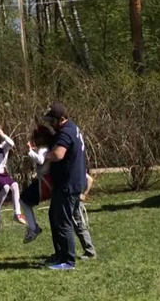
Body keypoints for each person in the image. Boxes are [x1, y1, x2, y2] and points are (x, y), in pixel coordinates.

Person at [43, 103, 86, 270]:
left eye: (52, 121)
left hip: (68, 185)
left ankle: (68, 261)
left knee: (63, 222)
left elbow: (58, 154)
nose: (50, 125)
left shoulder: (66, 132)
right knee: (55, 217)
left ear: (62, 119)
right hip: (68, 183)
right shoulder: (72, 128)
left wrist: (44, 155)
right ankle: (59, 254)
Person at [20, 124, 56, 243]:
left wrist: (29, 151)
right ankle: (33, 227)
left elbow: (40, 160)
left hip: (44, 183)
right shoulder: (47, 148)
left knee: (23, 200)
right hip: (45, 180)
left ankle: (34, 228)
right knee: (24, 200)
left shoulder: (44, 149)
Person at [0, 123, 26, 228]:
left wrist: (2, 134)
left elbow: (11, 143)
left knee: (15, 185)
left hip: (3, 173)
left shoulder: (4, 146)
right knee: (5, 187)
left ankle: (17, 213)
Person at [74, 171, 97, 260]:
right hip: (72, 199)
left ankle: (90, 251)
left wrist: (84, 194)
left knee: (79, 225)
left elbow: (90, 179)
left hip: (76, 201)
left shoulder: (77, 169)